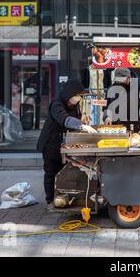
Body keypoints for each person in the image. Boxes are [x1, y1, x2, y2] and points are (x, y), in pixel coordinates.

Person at [36, 79, 96, 207]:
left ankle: (64, 197)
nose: (78, 99)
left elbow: (77, 119)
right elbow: (64, 119)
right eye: (77, 96)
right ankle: (50, 200)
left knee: (65, 173)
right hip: (51, 144)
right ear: (70, 94)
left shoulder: (74, 106)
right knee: (51, 173)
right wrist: (81, 126)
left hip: (65, 144)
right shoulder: (56, 104)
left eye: (80, 96)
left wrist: (84, 124)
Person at [103, 68, 140, 132]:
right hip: (116, 128)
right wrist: (107, 117)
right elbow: (106, 106)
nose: (120, 83)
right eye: (118, 81)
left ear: (129, 77)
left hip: (135, 127)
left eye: (122, 80)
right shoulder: (112, 89)